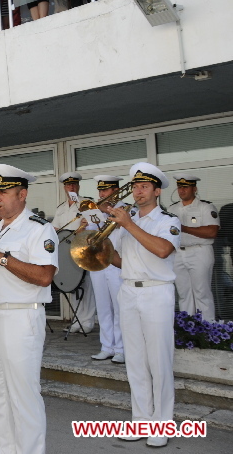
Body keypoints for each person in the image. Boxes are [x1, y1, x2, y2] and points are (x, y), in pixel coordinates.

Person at [0, 164, 59, 454]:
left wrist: (2, 259)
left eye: (3, 192)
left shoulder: (39, 229)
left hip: (21, 317)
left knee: (23, 395)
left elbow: (45, 275)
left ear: (22, 194)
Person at [105, 163, 181, 448]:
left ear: (157, 191)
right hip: (129, 290)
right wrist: (97, 247)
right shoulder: (128, 220)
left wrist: (128, 224)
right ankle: (140, 420)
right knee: (135, 360)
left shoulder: (167, 220)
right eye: (135, 187)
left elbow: (163, 250)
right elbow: (122, 261)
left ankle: (162, 423)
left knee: (159, 362)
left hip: (156, 293)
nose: (138, 191)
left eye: (144, 187)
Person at [84, 176, 126, 363]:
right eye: (100, 191)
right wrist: (85, 225)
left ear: (116, 190)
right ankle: (106, 346)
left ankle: (122, 348)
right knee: (103, 307)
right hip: (99, 263)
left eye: (106, 190)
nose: (101, 194)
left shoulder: (125, 209)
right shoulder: (97, 211)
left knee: (119, 307)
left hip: (117, 263)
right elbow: (89, 237)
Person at [168, 174, 219, 321]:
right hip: (178, 253)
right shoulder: (172, 209)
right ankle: (188, 329)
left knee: (202, 293)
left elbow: (212, 232)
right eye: (179, 187)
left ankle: (208, 329)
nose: (181, 190)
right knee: (184, 294)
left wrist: (184, 228)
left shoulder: (205, 207)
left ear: (194, 188)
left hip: (199, 251)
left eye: (185, 187)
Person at [52, 172, 96, 333]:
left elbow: (94, 226)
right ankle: (77, 320)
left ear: (78, 186)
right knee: (72, 284)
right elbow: (56, 228)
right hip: (66, 250)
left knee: (86, 286)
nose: (71, 187)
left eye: (74, 184)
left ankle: (87, 322)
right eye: (68, 185)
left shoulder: (87, 204)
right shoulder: (61, 208)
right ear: (64, 187)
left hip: (83, 248)